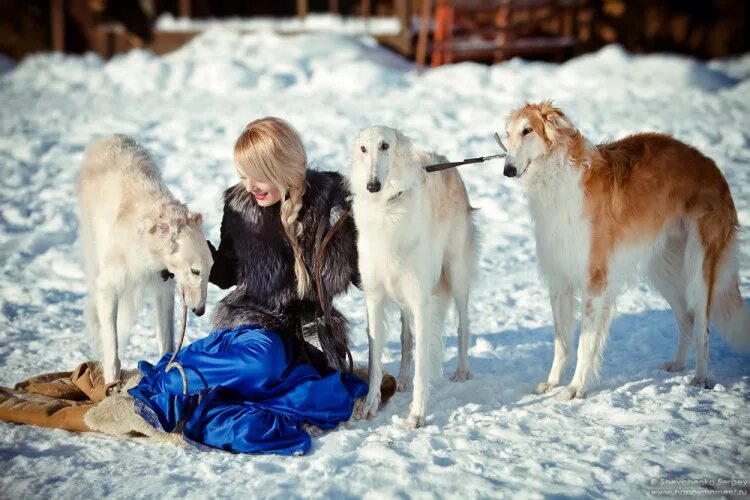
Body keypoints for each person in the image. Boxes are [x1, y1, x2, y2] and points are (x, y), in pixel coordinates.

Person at [128, 117, 394, 455]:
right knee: (262, 362)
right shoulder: (240, 207)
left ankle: (215, 388)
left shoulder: (334, 203)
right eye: (242, 175)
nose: (249, 185)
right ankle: (169, 384)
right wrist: (191, 255)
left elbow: (362, 275)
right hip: (257, 323)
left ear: (282, 165)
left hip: (310, 335)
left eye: (258, 173)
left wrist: (378, 223)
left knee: (321, 397)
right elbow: (226, 273)